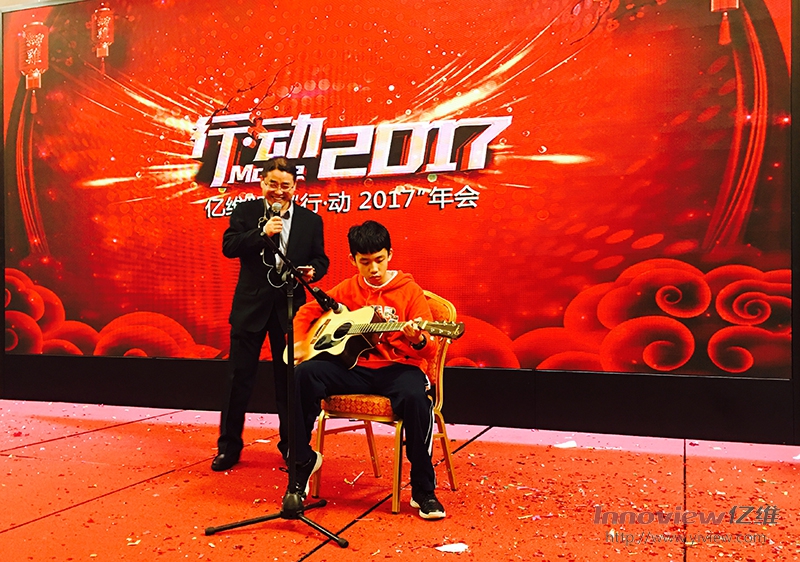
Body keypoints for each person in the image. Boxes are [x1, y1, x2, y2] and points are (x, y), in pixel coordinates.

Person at [290, 220, 446, 520]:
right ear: (353, 260)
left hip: (398, 370)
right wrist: (300, 343)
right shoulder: (348, 288)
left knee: (417, 397)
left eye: (379, 260)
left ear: (390, 255)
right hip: (355, 369)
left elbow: (430, 349)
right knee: (304, 374)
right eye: (365, 262)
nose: (374, 269)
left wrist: (417, 339)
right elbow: (307, 311)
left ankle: (423, 490)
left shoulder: (409, 291)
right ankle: (303, 461)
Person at [212, 157, 330, 472]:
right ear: (262, 183)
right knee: (238, 379)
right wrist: (261, 232)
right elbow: (229, 246)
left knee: (289, 381)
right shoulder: (246, 212)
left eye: (285, 185)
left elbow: (321, 259)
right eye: (273, 184)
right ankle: (228, 448)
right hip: (250, 308)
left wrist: (312, 271)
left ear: (295, 187)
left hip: (290, 309)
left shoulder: (310, 221)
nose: (279, 191)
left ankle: (292, 446)